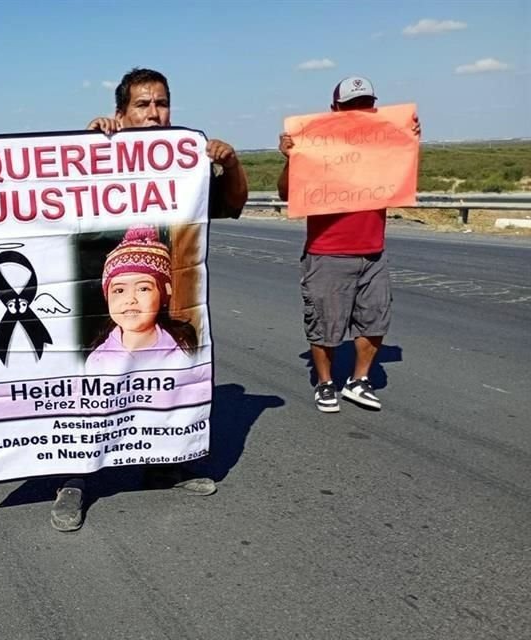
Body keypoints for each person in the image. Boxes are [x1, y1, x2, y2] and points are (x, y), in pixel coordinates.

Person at [50, 67, 249, 532]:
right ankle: (73, 481)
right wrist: (88, 143)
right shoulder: (97, 153)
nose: (154, 113)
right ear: (121, 112)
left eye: (161, 103)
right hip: (100, 297)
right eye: (142, 104)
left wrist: (232, 163)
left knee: (162, 379)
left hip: (156, 296)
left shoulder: (186, 162)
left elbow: (233, 205)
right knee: (90, 391)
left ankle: (164, 465)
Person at [277, 76, 421, 414]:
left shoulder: (383, 142)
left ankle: (359, 381)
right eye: (351, 106)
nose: (359, 112)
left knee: (376, 319)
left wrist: (408, 139)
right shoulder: (316, 145)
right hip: (327, 251)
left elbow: (401, 175)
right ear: (335, 110)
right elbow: (286, 194)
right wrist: (291, 158)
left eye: (365, 105)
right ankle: (325, 383)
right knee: (325, 324)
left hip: (373, 249)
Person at [85, 224, 197, 375]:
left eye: (143, 288)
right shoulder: (97, 361)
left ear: (163, 294)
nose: (130, 299)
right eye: (119, 290)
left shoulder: (183, 348)